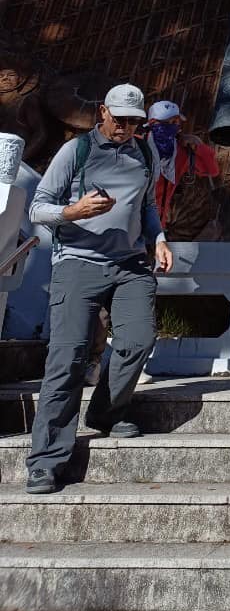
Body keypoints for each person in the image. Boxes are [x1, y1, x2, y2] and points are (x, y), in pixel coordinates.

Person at [24, 83, 173, 494]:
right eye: (120, 119)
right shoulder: (76, 152)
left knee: (138, 341)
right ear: (102, 112)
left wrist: (158, 238)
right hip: (77, 262)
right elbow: (38, 206)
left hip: (129, 263)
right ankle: (46, 460)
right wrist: (72, 211)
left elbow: (147, 206)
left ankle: (106, 412)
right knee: (67, 358)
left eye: (134, 121)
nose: (126, 127)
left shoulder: (145, 152)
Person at [146, 99, 223, 240]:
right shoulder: (136, 145)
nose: (171, 126)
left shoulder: (182, 151)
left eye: (175, 122)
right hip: (133, 221)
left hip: (160, 224)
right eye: (165, 122)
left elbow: (211, 170)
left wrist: (198, 146)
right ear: (152, 123)